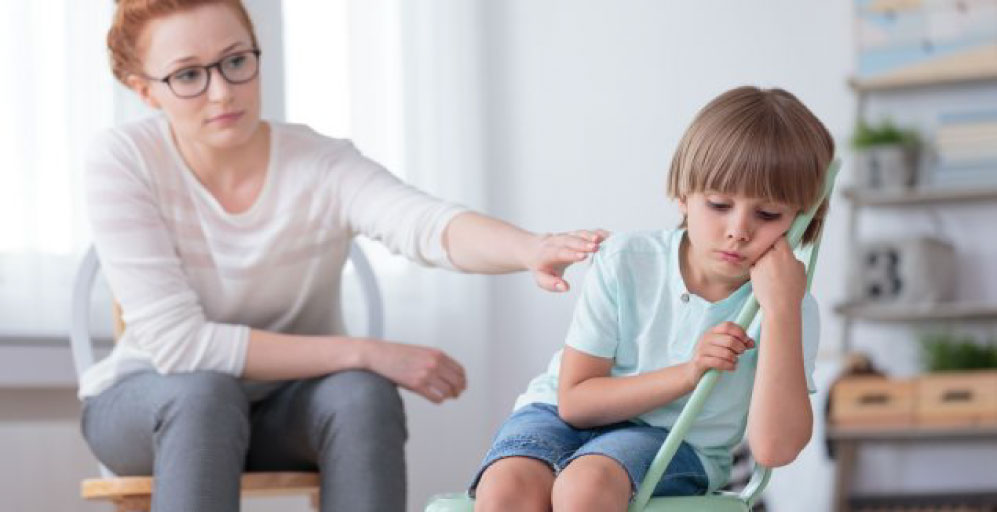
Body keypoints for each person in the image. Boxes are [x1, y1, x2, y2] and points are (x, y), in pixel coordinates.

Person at [79, 1, 608, 511]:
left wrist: (529, 248)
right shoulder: (123, 159)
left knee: (361, 396)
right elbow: (181, 346)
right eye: (188, 75)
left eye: (237, 61)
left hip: (282, 411)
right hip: (152, 407)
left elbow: (425, 223)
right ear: (144, 90)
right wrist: (365, 351)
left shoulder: (319, 162)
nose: (222, 92)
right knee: (205, 395)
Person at [470, 85, 833, 512]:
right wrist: (689, 372)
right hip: (560, 414)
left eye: (768, 215)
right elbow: (575, 403)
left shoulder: (789, 307)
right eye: (718, 204)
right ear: (682, 195)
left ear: (802, 221)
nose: (739, 230)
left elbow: (775, 450)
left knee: (584, 487)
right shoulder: (626, 260)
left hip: (674, 440)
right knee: (506, 489)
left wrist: (781, 311)